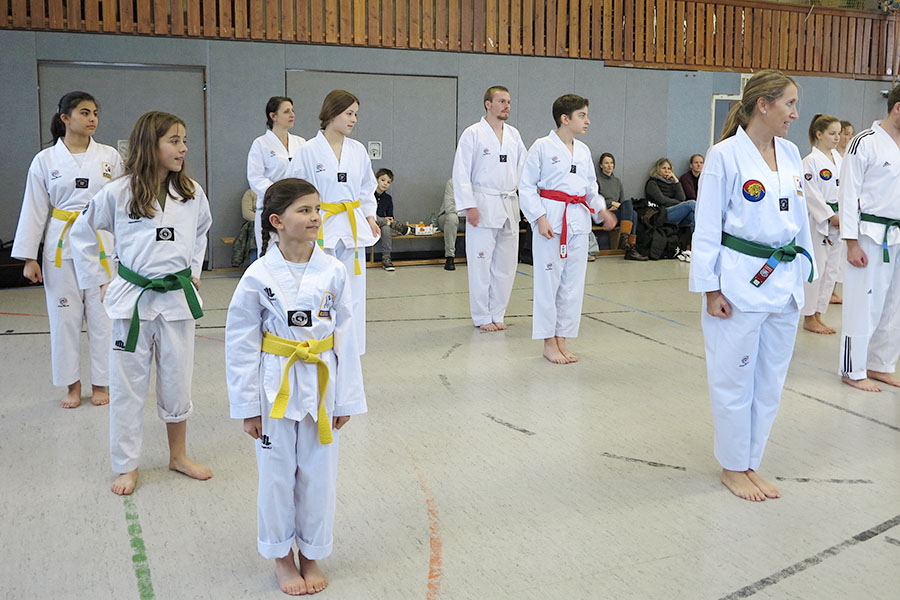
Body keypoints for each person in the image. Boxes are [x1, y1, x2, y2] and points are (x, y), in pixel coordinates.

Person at [226, 178, 366, 596]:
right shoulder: (258, 274)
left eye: (317, 209)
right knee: (275, 476)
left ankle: (312, 552)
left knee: (319, 476)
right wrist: (248, 406)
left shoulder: (333, 270)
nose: (316, 217)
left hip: (322, 383)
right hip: (275, 386)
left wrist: (346, 399)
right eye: (304, 210)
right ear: (277, 221)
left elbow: (347, 337)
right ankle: (281, 557)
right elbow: (240, 343)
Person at [70, 111, 213, 496]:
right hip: (132, 301)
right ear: (151, 145)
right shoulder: (119, 192)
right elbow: (81, 233)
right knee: (127, 387)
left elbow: (202, 231)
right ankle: (126, 465)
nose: (183, 148)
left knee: (178, 384)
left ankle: (178, 455)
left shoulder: (191, 192)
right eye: (174, 141)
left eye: (184, 141)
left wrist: (193, 270)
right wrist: (100, 279)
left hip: (177, 301)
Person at [689, 70, 814, 502]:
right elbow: (707, 226)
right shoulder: (725, 155)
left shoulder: (791, 153)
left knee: (770, 383)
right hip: (739, 282)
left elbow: (799, 220)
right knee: (734, 379)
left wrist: (807, 273)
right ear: (764, 104)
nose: (795, 114)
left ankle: (750, 462)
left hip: (785, 281)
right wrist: (710, 288)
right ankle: (732, 466)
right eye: (789, 103)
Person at [12, 91, 122, 409]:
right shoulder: (45, 160)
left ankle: (101, 383)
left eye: (95, 113)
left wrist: (128, 249)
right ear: (65, 118)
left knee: (103, 318)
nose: (92, 119)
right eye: (84, 112)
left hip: (101, 244)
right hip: (61, 246)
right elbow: (34, 208)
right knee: (64, 319)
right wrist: (29, 258)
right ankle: (72, 385)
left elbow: (122, 203)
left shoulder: (110, 156)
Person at [519, 94, 616, 364]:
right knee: (548, 283)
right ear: (565, 118)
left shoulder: (583, 151)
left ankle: (562, 338)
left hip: (578, 220)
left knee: (573, 285)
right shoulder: (541, 146)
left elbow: (590, 189)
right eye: (582, 115)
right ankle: (548, 342)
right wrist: (539, 218)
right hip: (551, 218)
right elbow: (526, 187)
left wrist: (601, 210)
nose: (587, 121)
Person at [287, 90, 380, 354]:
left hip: (352, 227)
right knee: (320, 290)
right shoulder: (308, 151)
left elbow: (367, 188)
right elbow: (294, 190)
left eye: (356, 114)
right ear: (332, 113)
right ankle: (319, 345)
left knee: (353, 292)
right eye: (349, 114)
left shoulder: (358, 150)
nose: (354, 120)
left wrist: (370, 217)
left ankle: (352, 349)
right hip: (320, 228)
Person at [837, 84, 900, 393]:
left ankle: (881, 364)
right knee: (864, 304)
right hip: (870, 236)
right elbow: (848, 193)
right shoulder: (865, 142)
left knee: (894, 305)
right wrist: (851, 241)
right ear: (898, 108)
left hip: (898, 234)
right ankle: (853, 368)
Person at [452, 85, 527, 332]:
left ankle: (498, 312)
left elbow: (525, 169)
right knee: (480, 264)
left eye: (509, 102)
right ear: (488, 104)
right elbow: (461, 172)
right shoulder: (473, 133)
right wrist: (469, 205)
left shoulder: (514, 135)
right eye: (502, 101)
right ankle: (482, 315)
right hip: (482, 204)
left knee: (506, 265)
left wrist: (529, 203)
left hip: (509, 204)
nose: (507, 106)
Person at [801, 114, 844, 335]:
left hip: (840, 218)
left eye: (839, 133)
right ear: (819, 134)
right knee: (817, 267)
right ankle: (809, 316)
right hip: (819, 221)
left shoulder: (839, 159)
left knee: (831, 269)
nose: (837, 137)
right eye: (832, 133)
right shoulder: (810, 161)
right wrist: (829, 216)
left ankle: (819, 313)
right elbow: (811, 194)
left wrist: (845, 214)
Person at [247, 96, 306, 255]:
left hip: (297, 204)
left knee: (296, 252)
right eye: (287, 112)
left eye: (293, 111)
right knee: (270, 254)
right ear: (273, 116)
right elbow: (255, 178)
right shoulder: (261, 144)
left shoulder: (301, 143)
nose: (292, 115)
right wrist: (280, 193)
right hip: (272, 204)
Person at [597, 152, 647, 261]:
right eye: (606, 163)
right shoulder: (597, 180)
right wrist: (611, 203)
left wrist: (618, 206)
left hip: (615, 213)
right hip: (602, 214)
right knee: (632, 212)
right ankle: (629, 245)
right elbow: (595, 199)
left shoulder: (617, 181)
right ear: (601, 165)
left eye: (611, 163)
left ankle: (626, 241)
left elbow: (623, 202)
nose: (609, 165)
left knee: (632, 211)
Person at [373, 167, 413, 271]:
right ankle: (399, 227)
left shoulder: (388, 198)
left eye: (388, 182)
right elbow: (365, 213)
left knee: (387, 227)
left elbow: (390, 217)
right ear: (376, 179)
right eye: (382, 180)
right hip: (368, 222)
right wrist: (386, 220)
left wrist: (388, 220)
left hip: (380, 223)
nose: (385, 184)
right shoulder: (368, 194)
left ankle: (386, 258)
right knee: (374, 217)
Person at [437, 179, 463, 270]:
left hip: (467, 220)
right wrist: (468, 211)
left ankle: (480, 256)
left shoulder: (478, 184)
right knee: (452, 218)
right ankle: (450, 257)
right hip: (447, 217)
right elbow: (449, 208)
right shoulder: (452, 183)